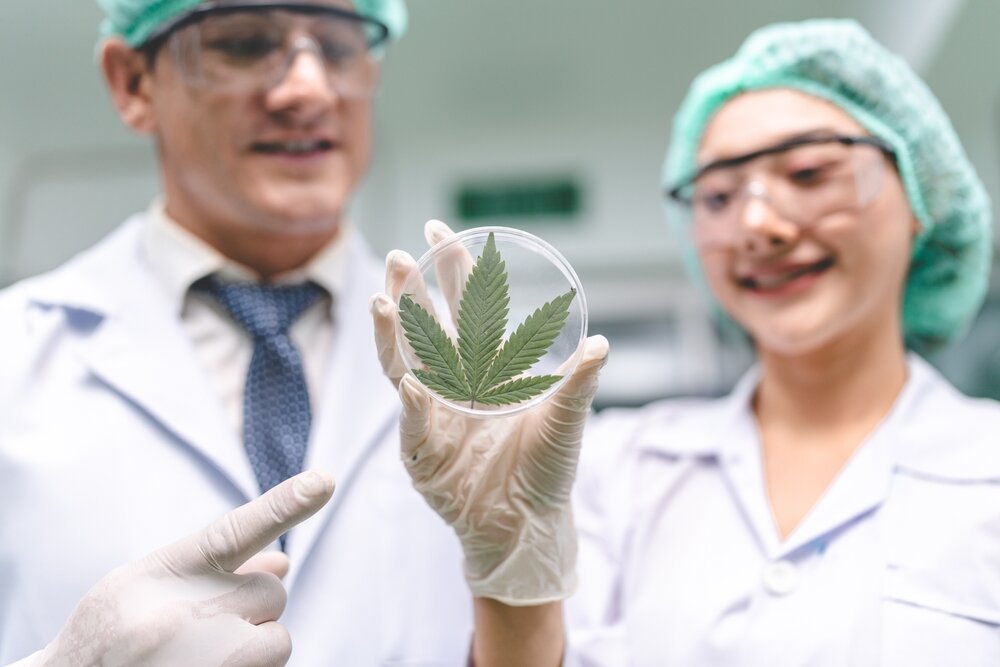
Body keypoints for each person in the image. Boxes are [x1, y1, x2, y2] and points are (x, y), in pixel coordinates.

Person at [371, 19, 1000, 666]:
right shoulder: (612, 472)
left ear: (922, 195)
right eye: (720, 195)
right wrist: (510, 576)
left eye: (810, 173)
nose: (757, 223)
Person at [0, 1, 480, 664]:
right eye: (247, 42)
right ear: (133, 83)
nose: (307, 89)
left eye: (338, 47)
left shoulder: (480, 379)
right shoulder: (13, 357)